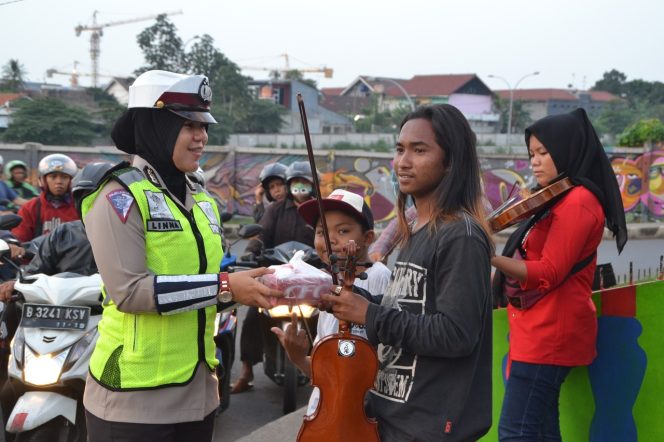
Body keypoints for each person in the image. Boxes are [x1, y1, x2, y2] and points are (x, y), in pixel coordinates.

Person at [79, 70, 281, 442]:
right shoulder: (118, 196)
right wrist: (225, 287)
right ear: (154, 125)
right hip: (132, 402)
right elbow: (131, 292)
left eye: (203, 125)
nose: (201, 137)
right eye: (188, 125)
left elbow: (204, 282)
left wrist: (256, 286)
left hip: (198, 396)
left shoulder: (201, 199)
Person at [319, 104, 494, 441]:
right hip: (394, 415)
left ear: (450, 161)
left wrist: (369, 314)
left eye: (419, 150)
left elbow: (457, 333)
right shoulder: (418, 229)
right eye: (400, 149)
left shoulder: (461, 235)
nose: (403, 162)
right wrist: (355, 301)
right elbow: (412, 307)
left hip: (428, 427)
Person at [491, 108, 627, 441]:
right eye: (531, 154)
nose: (534, 162)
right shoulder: (559, 197)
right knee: (541, 431)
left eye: (543, 153)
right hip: (535, 331)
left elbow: (549, 272)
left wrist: (491, 257)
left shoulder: (579, 201)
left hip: (550, 332)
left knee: (515, 433)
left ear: (567, 150)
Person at [0, 161, 116, 440]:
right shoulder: (65, 233)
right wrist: (15, 284)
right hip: (55, 323)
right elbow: (35, 272)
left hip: (107, 326)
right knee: (9, 390)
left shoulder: (136, 236)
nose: (96, 203)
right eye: (88, 197)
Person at [272, 188, 391, 416]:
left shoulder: (378, 277)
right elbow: (324, 372)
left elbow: (380, 362)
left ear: (367, 238)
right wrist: (298, 357)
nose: (330, 240)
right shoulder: (328, 281)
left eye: (343, 230)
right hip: (324, 410)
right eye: (321, 232)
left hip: (360, 412)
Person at [232, 160, 317, 393]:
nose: (300, 189)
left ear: (313, 185)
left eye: (305, 184)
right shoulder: (275, 210)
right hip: (275, 278)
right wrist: (251, 252)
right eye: (295, 184)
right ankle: (246, 373)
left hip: (309, 281)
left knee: (332, 316)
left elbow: (329, 239)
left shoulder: (320, 210)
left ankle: (331, 367)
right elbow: (261, 234)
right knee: (250, 319)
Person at [10, 153, 79, 242]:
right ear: (43, 180)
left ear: (71, 180)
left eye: (64, 177)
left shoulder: (79, 206)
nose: (59, 181)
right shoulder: (30, 208)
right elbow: (20, 239)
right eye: (53, 177)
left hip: (73, 255)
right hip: (39, 255)